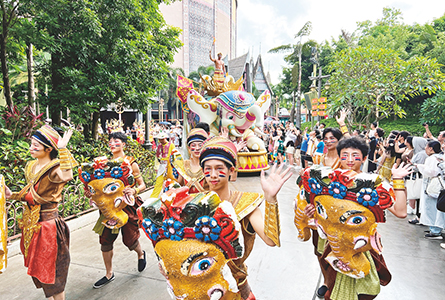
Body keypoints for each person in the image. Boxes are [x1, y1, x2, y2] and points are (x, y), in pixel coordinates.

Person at [199, 136, 291, 299]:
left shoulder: (245, 204)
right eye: (208, 168)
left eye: (219, 168)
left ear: (231, 171)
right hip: (201, 284)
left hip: (235, 284)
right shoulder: (197, 203)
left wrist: (270, 199)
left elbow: (271, 240)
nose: (213, 175)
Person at [5, 125, 78, 300]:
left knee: (53, 273)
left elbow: (67, 176)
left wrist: (63, 149)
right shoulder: (32, 166)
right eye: (31, 144)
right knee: (42, 271)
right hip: (33, 226)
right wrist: (12, 195)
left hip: (49, 228)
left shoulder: (54, 169)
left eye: (36, 145)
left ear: (48, 149)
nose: (31, 148)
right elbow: (32, 193)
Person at [89, 131, 146, 288]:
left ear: (124, 144)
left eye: (117, 141)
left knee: (130, 239)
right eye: (111, 141)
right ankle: (109, 273)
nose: (113, 144)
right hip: (107, 209)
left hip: (126, 206)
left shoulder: (130, 162)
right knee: (105, 240)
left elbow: (142, 184)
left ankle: (141, 254)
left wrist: (134, 191)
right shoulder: (102, 164)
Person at [413, 141, 445, 240]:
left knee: (431, 208)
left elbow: (431, 171)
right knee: (437, 208)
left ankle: (435, 230)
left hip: (431, 185)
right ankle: (435, 228)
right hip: (439, 185)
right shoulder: (441, 157)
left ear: (431, 148)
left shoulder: (431, 158)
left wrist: (419, 166)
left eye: (426, 147)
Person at [173, 128, 209, 193]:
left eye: (200, 145)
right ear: (189, 148)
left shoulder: (209, 165)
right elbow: (179, 186)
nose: (197, 148)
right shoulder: (184, 165)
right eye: (193, 145)